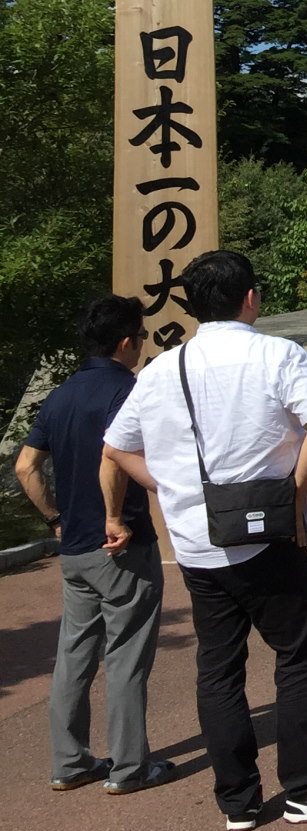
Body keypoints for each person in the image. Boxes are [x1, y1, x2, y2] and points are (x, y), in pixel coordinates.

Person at [103, 250, 307, 831]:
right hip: (268, 536)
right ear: (250, 297)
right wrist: (294, 493)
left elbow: (117, 447)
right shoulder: (277, 354)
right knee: (299, 656)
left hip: (196, 543)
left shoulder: (162, 369)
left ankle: (238, 800)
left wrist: (168, 486)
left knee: (219, 667)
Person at [15, 295, 173, 796]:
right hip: (122, 544)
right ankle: (129, 767)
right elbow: (117, 454)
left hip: (75, 548)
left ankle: (70, 762)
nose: (142, 343)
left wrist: (55, 519)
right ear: (126, 342)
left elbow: (25, 467)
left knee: (74, 654)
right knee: (127, 657)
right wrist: (115, 516)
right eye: (141, 336)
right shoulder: (129, 390)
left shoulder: (59, 396)